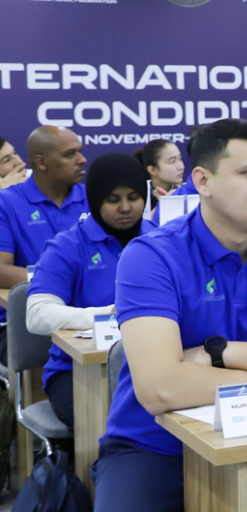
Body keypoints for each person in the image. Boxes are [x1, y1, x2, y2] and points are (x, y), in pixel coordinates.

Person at [93, 119, 247, 512]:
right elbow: (161, 388)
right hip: (157, 447)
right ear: (203, 181)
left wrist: (221, 353)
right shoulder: (150, 256)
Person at [27, 153, 155, 434]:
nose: (125, 207)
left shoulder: (160, 240)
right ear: (95, 200)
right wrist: (104, 316)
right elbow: (36, 314)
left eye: (133, 197)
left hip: (150, 364)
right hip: (75, 372)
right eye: (112, 199)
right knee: (109, 425)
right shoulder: (67, 246)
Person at [0, 126, 89, 362]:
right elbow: (0, 270)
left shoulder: (94, 198)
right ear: (41, 162)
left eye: (79, 152)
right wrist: (57, 280)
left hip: (88, 317)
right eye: (70, 154)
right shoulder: (7, 203)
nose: (82, 160)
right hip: (23, 322)